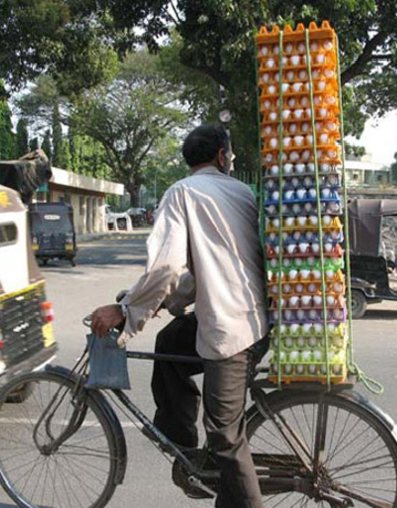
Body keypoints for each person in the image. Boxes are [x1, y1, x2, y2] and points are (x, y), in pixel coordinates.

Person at [91, 123, 268, 508]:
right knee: (169, 343)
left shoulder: (182, 192)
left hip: (233, 328)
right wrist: (158, 303)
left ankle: (218, 468)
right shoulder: (241, 192)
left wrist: (126, 310)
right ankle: (187, 452)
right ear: (222, 156)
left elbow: (165, 268)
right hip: (249, 315)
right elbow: (207, 270)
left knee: (225, 434)